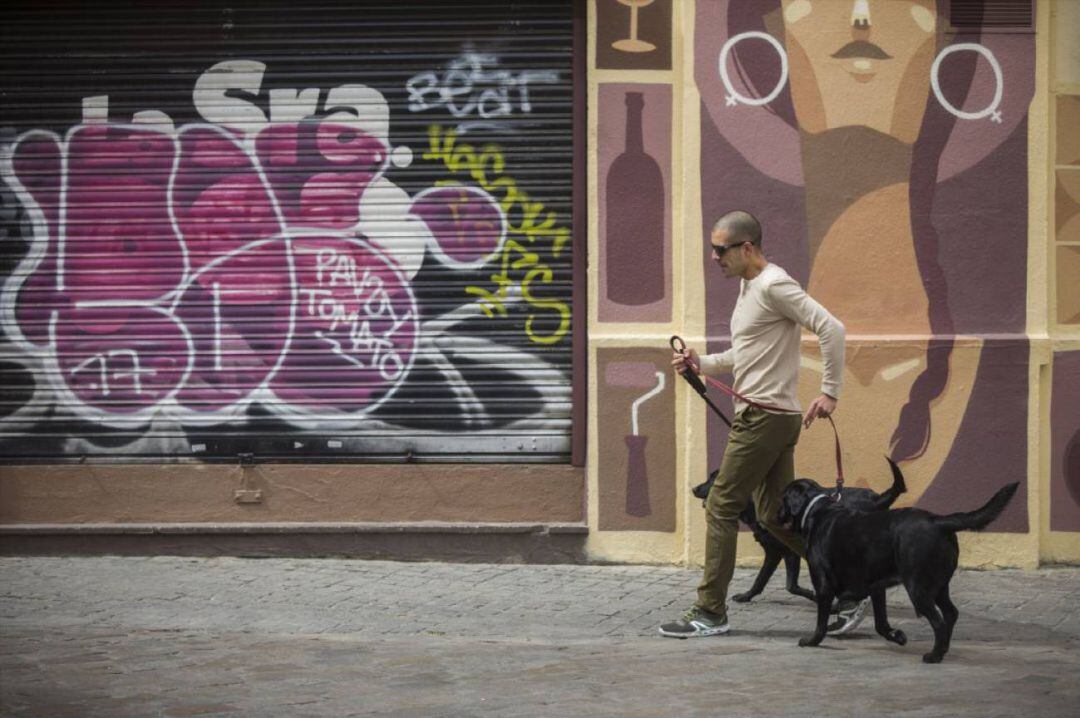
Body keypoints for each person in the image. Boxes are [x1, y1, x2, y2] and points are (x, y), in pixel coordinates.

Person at [659, 209, 867, 638]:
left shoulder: (774, 285)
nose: (714, 257)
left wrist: (830, 391)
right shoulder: (749, 287)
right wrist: (702, 363)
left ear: (747, 248)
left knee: (720, 505)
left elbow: (832, 328)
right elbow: (744, 355)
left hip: (765, 419)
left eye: (720, 250)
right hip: (769, 416)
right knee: (773, 516)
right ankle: (851, 588)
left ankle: (710, 611)